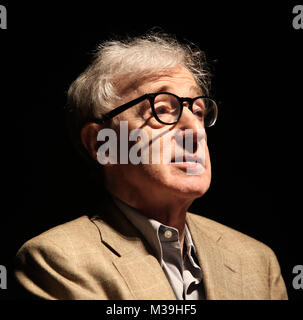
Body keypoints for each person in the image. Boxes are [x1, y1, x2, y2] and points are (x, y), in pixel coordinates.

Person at [15, 32, 288, 300]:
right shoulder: (57, 260)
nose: (196, 131)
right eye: (162, 110)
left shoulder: (258, 261)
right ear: (102, 144)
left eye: (198, 111)